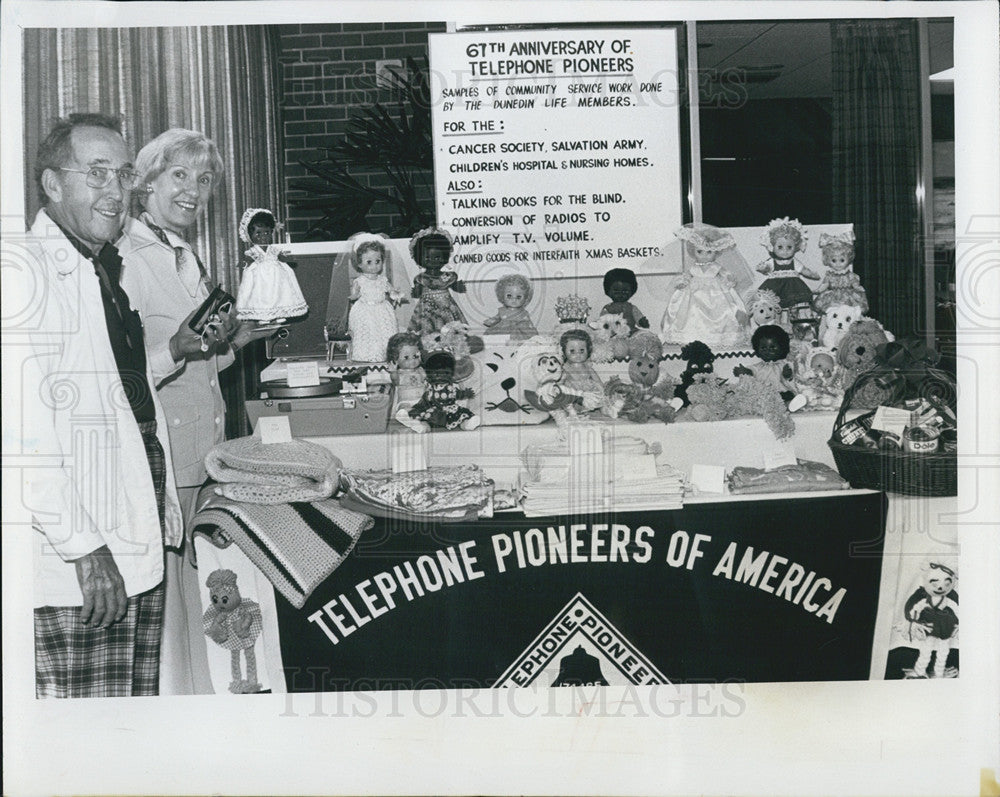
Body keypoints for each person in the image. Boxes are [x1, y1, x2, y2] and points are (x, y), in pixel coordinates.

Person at [17, 113, 182, 697]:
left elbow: (113, 389)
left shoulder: (101, 266)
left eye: (122, 173)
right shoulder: (24, 275)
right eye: (96, 173)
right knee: (84, 742)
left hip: (126, 535)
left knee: (130, 723)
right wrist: (85, 549)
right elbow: (21, 439)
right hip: (82, 564)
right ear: (52, 184)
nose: (115, 190)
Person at [118, 128, 269, 694]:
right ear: (148, 181)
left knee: (198, 591)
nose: (193, 190)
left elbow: (200, 364)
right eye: (179, 175)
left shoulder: (185, 255)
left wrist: (239, 342)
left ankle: (203, 700)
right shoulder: (129, 258)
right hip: (166, 457)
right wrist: (180, 348)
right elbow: (127, 374)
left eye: (203, 180)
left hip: (205, 455)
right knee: (173, 606)